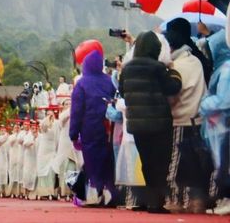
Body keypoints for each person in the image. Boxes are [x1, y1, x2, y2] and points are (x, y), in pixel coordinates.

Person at [119, 31, 182, 213]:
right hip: (159, 123)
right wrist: (174, 72)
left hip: (137, 125)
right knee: (160, 163)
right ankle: (158, 202)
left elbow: (122, 91)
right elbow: (172, 87)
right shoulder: (158, 68)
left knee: (146, 162)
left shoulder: (127, 69)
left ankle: (150, 200)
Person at [164, 24, 210, 213]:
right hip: (198, 120)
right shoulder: (195, 61)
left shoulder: (178, 66)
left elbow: (173, 95)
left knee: (175, 165)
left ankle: (175, 201)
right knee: (195, 164)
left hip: (180, 120)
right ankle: (196, 201)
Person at [69, 40, 117, 207]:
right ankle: (110, 193)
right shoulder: (110, 81)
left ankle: (93, 195)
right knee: (107, 161)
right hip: (107, 128)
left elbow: (76, 112)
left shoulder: (81, 84)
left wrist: (73, 135)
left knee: (91, 162)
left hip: (89, 129)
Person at [199, 30, 230, 215]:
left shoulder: (226, 69)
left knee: (224, 164)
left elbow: (224, 100)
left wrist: (204, 103)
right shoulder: (222, 68)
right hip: (220, 126)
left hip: (223, 126)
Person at [0, 126, 10, 197]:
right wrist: (5, 137)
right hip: (0, 157)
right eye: (2, 130)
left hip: (6, 157)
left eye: (4, 130)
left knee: (5, 173)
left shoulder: (8, 138)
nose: (3, 131)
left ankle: (5, 191)